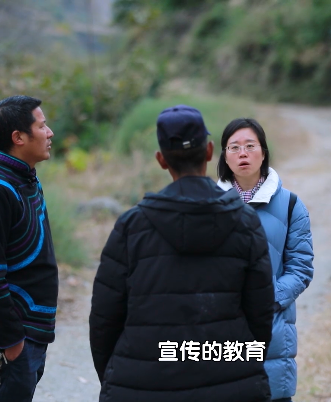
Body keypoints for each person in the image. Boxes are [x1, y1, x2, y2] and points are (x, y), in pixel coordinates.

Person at [89, 105, 275, 402]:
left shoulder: (131, 227)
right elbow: (261, 315)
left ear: (161, 159)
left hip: (142, 387)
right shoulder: (245, 222)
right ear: (210, 151)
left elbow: (104, 319)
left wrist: (118, 378)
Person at [0, 95, 57, 402]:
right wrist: (11, 342)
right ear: (18, 137)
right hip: (8, 339)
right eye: (42, 126)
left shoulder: (26, 180)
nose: (49, 133)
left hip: (29, 334)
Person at [217, 118, 314, 402]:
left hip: (269, 327)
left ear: (263, 151)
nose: (243, 153)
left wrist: (267, 300)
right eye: (234, 147)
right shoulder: (208, 206)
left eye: (250, 146)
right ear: (224, 155)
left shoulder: (291, 205)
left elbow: (301, 267)